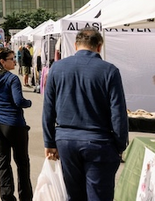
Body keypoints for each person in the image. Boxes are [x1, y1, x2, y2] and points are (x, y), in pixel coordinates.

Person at [42, 29, 128, 201]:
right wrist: (120, 144)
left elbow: (48, 108)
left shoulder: (57, 68)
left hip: (66, 140)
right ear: (99, 47)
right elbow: (118, 112)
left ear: (75, 45)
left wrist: (49, 141)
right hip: (99, 141)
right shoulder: (109, 70)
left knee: (74, 194)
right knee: (98, 194)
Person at [0, 48, 33, 201]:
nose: (15, 61)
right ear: (2, 62)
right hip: (14, 125)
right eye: (11, 59)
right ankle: (26, 197)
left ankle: (7, 196)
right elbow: (19, 101)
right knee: (22, 162)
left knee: (2, 162)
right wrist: (28, 103)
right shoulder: (12, 79)